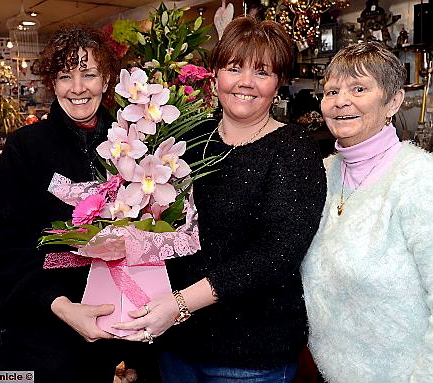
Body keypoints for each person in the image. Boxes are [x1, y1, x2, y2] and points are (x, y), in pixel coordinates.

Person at [113, 17, 327, 383]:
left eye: (262, 72)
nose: (245, 82)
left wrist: (180, 303)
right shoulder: (187, 138)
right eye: (234, 68)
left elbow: (275, 255)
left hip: (249, 354)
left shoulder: (295, 150)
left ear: (278, 84)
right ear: (215, 76)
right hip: (176, 343)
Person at [0, 24, 152, 382]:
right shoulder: (25, 148)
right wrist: (61, 306)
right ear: (53, 83)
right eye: (65, 76)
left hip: (125, 328)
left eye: (89, 74)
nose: (78, 88)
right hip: (47, 335)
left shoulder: (136, 142)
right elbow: (7, 246)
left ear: (107, 80)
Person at [301, 41, 433, 383]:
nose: (341, 101)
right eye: (332, 91)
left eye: (359, 88)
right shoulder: (321, 174)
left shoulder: (419, 178)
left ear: (393, 101)